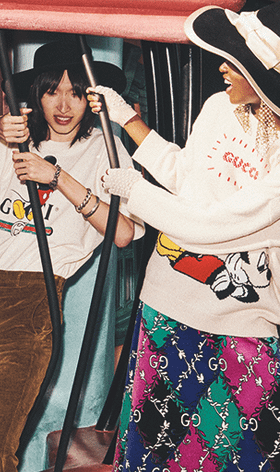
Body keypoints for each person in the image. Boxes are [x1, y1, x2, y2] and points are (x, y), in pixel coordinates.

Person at [0, 40, 143, 472]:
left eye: (76, 93)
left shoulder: (105, 150)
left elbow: (123, 233)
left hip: (34, 301)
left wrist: (57, 177)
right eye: (52, 92)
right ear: (37, 95)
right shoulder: (17, 141)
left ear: (91, 99)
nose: (63, 105)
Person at [88, 4, 280, 470]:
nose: (222, 67)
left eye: (236, 62)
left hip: (242, 324)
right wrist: (127, 121)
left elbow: (215, 224)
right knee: (154, 455)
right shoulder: (218, 106)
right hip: (166, 306)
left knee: (237, 458)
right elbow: (187, 179)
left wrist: (137, 193)